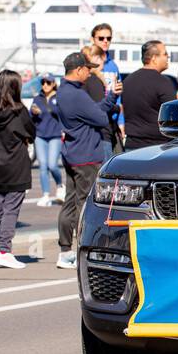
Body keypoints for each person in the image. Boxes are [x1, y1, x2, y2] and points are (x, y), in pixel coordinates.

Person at [56, 52, 122, 270]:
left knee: (70, 201)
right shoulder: (77, 95)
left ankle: (65, 250)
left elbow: (93, 113)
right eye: (87, 69)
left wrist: (109, 98)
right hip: (86, 156)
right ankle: (80, 249)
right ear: (78, 70)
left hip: (72, 153)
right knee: (84, 205)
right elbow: (101, 118)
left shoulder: (64, 91)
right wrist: (111, 97)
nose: (90, 73)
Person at [0, 70, 35, 269]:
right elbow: (31, 132)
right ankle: (3, 250)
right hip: (15, 166)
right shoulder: (19, 111)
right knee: (11, 210)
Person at [122, 40, 177, 149]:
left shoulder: (128, 80)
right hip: (157, 147)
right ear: (154, 58)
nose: (168, 57)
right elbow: (174, 116)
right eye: (165, 54)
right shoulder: (163, 82)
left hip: (131, 145)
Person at [30, 75, 64, 207]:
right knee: (43, 165)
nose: (45, 85)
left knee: (52, 165)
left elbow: (62, 113)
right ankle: (45, 194)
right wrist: (34, 112)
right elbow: (30, 115)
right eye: (43, 82)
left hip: (55, 135)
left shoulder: (59, 98)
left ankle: (60, 185)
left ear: (54, 84)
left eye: (48, 82)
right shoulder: (38, 98)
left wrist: (49, 109)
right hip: (40, 135)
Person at [90, 22, 123, 147]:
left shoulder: (113, 65)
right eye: (101, 38)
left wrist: (121, 122)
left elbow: (119, 98)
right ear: (93, 39)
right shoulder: (87, 64)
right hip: (94, 122)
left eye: (108, 38)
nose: (105, 41)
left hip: (112, 121)